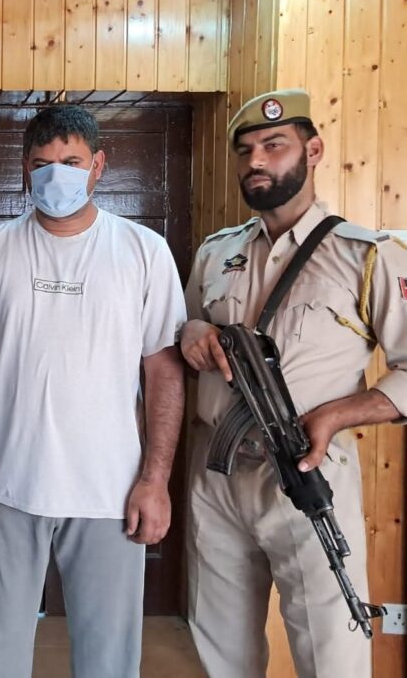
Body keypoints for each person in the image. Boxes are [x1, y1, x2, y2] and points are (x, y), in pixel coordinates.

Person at [0, 104, 187, 678]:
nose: (57, 175)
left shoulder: (144, 251)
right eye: (43, 163)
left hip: (110, 491)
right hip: (7, 487)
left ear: (98, 165)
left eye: (72, 162)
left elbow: (164, 373)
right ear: (24, 168)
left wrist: (155, 480)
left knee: (109, 660)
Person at [180, 89, 407, 678]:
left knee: (330, 652)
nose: (256, 160)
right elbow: (183, 334)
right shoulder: (216, 254)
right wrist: (192, 332)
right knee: (220, 648)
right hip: (218, 471)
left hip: (306, 470)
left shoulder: (367, 256)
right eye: (245, 149)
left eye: (274, 145)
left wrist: (337, 416)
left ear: (313, 151)